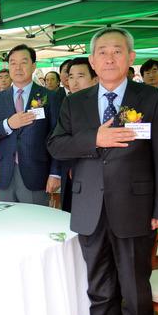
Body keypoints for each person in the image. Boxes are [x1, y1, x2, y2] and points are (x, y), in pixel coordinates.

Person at [48, 27, 158, 315]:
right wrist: (95, 138)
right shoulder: (74, 103)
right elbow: (57, 145)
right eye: (102, 51)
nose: (109, 57)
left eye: (117, 51)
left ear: (130, 57)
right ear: (92, 60)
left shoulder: (153, 99)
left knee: (134, 293)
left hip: (136, 209)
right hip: (90, 209)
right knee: (100, 291)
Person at [0, 44, 60, 205]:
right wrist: (8, 124)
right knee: (7, 224)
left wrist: (55, 173)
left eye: (23, 62)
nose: (18, 67)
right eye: (13, 63)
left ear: (33, 66)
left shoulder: (49, 96)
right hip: (5, 173)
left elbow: (57, 137)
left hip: (36, 173)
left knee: (35, 224)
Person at [59, 57, 98, 212]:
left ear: (95, 79)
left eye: (80, 77)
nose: (74, 83)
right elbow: (57, 141)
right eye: (71, 77)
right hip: (71, 174)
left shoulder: (103, 105)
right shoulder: (67, 104)